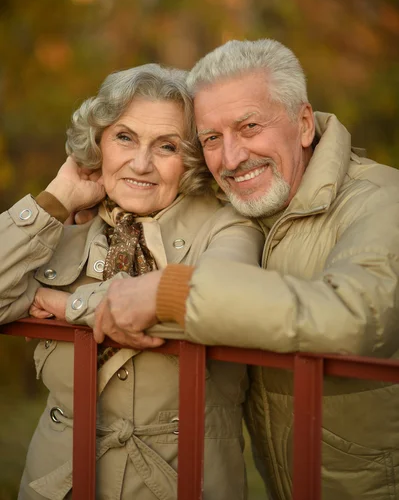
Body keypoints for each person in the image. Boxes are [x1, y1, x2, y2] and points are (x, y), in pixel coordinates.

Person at [93, 40, 399, 500]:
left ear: (302, 123)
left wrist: (169, 293)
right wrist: (80, 197)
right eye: (212, 138)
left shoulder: (383, 200)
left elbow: (355, 314)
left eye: (249, 127)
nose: (231, 158)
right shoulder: (253, 205)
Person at [0, 63, 264, 500]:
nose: (140, 164)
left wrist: (73, 306)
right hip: (59, 484)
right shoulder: (59, 233)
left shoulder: (227, 228)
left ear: (193, 158)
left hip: (184, 485)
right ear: (97, 143)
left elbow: (220, 302)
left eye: (167, 146)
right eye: (124, 137)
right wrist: (55, 199)